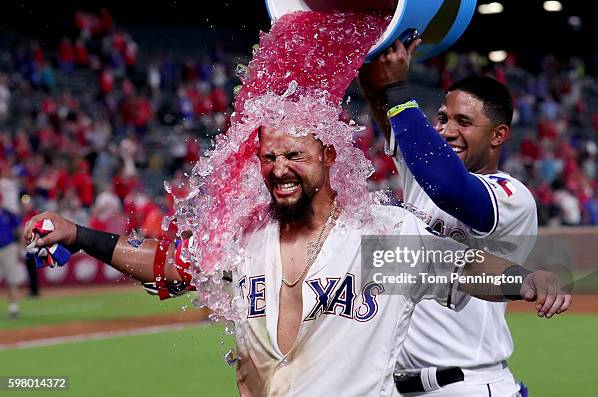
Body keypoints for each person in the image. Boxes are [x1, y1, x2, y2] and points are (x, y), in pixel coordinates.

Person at [25, 126, 569, 396]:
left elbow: (466, 270)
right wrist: (78, 236)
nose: (280, 168)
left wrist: (530, 281)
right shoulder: (242, 240)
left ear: (328, 159)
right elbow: (166, 264)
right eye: (269, 156)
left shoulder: (375, 236)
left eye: (295, 156)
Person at [360, 40, 539, 395]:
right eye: (442, 117)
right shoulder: (423, 174)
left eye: (464, 121)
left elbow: (451, 190)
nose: (447, 130)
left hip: (468, 384)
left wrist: (397, 88)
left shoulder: (511, 196)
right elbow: (384, 104)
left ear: (498, 135)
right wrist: (374, 56)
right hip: (393, 385)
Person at [1, 192, 22, 318]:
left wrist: (20, 245)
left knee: (11, 279)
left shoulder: (8, 214)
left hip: (8, 248)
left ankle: (14, 306)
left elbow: (19, 228)